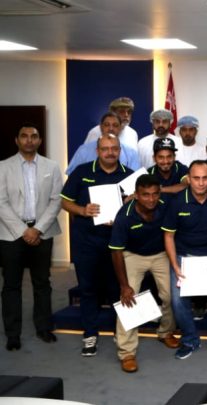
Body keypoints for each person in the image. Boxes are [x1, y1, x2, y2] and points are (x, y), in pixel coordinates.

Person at [61, 134, 133, 356]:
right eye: (105, 149)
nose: (110, 152)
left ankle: (119, 332)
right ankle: (90, 334)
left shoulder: (129, 176)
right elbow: (65, 201)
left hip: (116, 243)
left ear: (120, 150)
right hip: (87, 241)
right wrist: (83, 210)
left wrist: (128, 206)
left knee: (117, 289)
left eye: (114, 148)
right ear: (97, 151)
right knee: (88, 289)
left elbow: (140, 206)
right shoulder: (82, 172)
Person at [108, 174, 179, 373]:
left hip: (160, 254)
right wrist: (124, 286)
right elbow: (116, 252)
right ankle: (127, 352)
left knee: (170, 295)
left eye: (155, 194)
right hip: (133, 255)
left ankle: (165, 332)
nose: (151, 199)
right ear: (136, 195)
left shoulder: (165, 205)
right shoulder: (125, 215)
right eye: (145, 195)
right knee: (128, 299)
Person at [0, 124, 62, 351]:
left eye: (33, 136)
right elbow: (1, 202)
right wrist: (23, 230)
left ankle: (43, 328)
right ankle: (12, 334)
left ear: (39, 140)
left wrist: (37, 229)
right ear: (16, 140)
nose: (29, 140)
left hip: (42, 232)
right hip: (11, 233)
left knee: (42, 282)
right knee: (11, 284)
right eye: (24, 136)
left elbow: (57, 200)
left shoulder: (52, 166)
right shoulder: (3, 167)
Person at [163, 160, 207, 360]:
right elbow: (168, 236)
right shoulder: (177, 202)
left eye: (205, 178)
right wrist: (175, 265)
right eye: (196, 178)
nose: (201, 183)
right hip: (183, 257)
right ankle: (190, 340)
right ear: (189, 179)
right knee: (177, 301)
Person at [67, 112, 141, 175]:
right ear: (101, 127)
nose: (111, 128)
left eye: (115, 125)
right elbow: (73, 176)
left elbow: (136, 179)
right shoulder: (83, 150)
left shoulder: (131, 153)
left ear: (120, 128)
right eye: (107, 125)